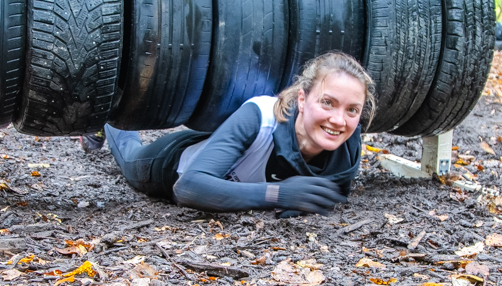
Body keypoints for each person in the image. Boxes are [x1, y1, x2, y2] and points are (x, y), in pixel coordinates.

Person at [85, 52, 373, 216]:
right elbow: (189, 188)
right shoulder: (261, 116)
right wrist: (279, 194)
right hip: (169, 166)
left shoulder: (347, 148)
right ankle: (107, 119)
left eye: (352, 110)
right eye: (328, 102)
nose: (339, 120)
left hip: (216, 153)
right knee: (129, 150)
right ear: (302, 99)